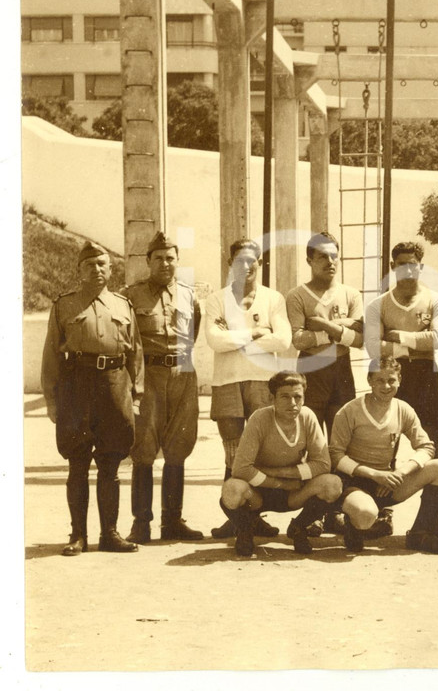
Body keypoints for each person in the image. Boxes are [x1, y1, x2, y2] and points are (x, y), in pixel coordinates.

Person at [41, 241, 143, 555]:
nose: (96, 270)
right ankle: (78, 535)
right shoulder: (64, 305)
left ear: (111, 269)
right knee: (77, 461)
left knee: (111, 462)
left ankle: (110, 534)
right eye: (89, 265)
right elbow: (50, 357)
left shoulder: (123, 305)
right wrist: (52, 400)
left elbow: (135, 353)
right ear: (79, 270)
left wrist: (135, 396)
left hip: (114, 384)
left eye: (102, 264)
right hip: (76, 385)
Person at [204, 239, 292, 538]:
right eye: (239, 260)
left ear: (261, 263)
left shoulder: (273, 299)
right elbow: (214, 340)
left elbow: (282, 340)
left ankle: (256, 517)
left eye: (252, 260)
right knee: (233, 454)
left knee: (260, 453)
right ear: (231, 264)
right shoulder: (217, 300)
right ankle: (236, 516)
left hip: (262, 381)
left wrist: (236, 338)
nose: (246, 266)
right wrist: (255, 332)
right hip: (226, 383)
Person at [122, 232, 203, 544]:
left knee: (178, 447)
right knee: (143, 448)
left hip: (183, 374)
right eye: (159, 258)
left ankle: (172, 522)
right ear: (148, 261)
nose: (165, 263)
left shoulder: (187, 295)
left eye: (171, 258)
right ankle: (140, 523)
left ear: (177, 261)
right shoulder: (131, 296)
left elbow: (191, 332)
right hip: (150, 376)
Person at [329, 356, 438, 554]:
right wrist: (374, 474)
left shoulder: (403, 409)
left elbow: (427, 447)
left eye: (391, 380)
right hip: (354, 481)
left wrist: (401, 472)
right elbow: (336, 455)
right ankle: (353, 525)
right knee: (365, 515)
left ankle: (420, 533)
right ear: (369, 380)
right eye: (379, 380)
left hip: (386, 484)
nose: (386, 386)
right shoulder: (350, 410)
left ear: (400, 380)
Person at [222, 371, 342, 557]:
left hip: (293, 494)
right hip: (258, 494)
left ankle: (298, 528)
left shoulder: (307, 417)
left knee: (332, 484)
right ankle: (246, 530)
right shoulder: (259, 419)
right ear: (272, 398)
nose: (293, 403)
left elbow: (322, 464)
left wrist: (279, 473)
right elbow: (240, 469)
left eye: (297, 397)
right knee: (231, 489)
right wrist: (280, 483)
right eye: (285, 397)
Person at [364, 241, 438, 453]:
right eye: (402, 265)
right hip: (390, 373)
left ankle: (434, 484)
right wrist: (412, 346)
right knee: (386, 434)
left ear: (420, 266)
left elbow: (436, 340)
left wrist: (399, 336)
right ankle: (385, 480)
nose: (408, 270)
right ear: (393, 266)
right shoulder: (378, 304)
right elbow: (373, 348)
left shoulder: (437, 300)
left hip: (425, 373)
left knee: (429, 433)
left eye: (413, 264)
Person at [285, 232, 363, 435]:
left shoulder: (351, 294)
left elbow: (360, 339)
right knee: (311, 434)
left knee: (342, 433)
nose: (330, 262)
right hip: (311, 369)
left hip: (342, 369)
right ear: (309, 261)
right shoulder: (296, 295)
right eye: (322, 257)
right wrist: (341, 329)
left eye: (334, 256)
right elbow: (299, 341)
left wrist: (324, 324)